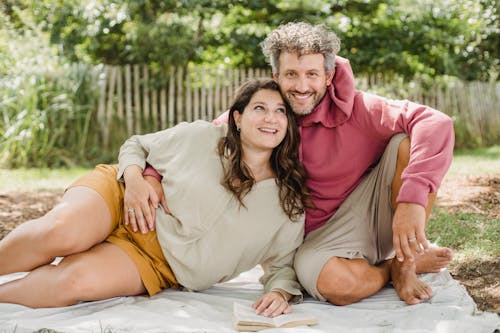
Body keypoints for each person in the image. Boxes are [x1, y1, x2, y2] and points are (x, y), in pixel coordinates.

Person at [141, 22, 455, 306]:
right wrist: (153, 175)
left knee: (407, 141)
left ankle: (405, 265)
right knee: (331, 283)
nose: (301, 86)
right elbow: (207, 140)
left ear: (328, 76)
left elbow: (435, 121)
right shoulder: (268, 115)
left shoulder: (361, 109)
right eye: (291, 74)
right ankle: (388, 268)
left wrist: (411, 200)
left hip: (364, 213)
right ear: (277, 76)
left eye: (312, 74)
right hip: (305, 240)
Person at [0, 79, 311, 317]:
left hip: (157, 261)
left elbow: (283, 265)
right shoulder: (202, 136)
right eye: (260, 108)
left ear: (288, 125)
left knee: (74, 282)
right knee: (60, 232)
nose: (271, 118)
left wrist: (280, 294)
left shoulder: (288, 202)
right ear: (238, 118)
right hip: (122, 197)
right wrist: (134, 179)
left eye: (280, 112)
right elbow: (137, 145)